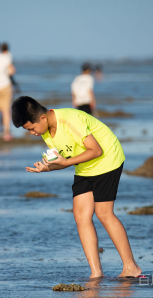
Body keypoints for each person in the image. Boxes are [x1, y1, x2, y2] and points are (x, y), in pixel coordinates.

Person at [11, 96, 142, 278]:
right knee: (80, 215)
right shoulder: (46, 132)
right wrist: (47, 168)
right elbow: (64, 161)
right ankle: (96, 273)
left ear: (42, 118)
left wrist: (65, 162)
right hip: (85, 165)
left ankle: (131, 267)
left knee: (104, 213)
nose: (32, 133)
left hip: (107, 159)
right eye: (28, 131)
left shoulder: (70, 120)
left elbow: (96, 150)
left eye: (31, 128)